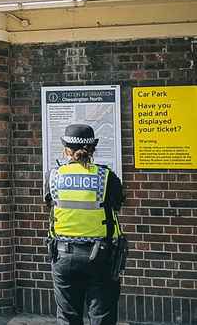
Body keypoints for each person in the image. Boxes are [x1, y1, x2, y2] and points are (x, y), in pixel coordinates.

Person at [46, 124, 126, 325]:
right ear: (92, 149)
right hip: (101, 256)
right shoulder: (106, 177)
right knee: (101, 317)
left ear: (66, 150)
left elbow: (49, 203)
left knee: (67, 317)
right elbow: (118, 203)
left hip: (63, 256)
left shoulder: (53, 176)